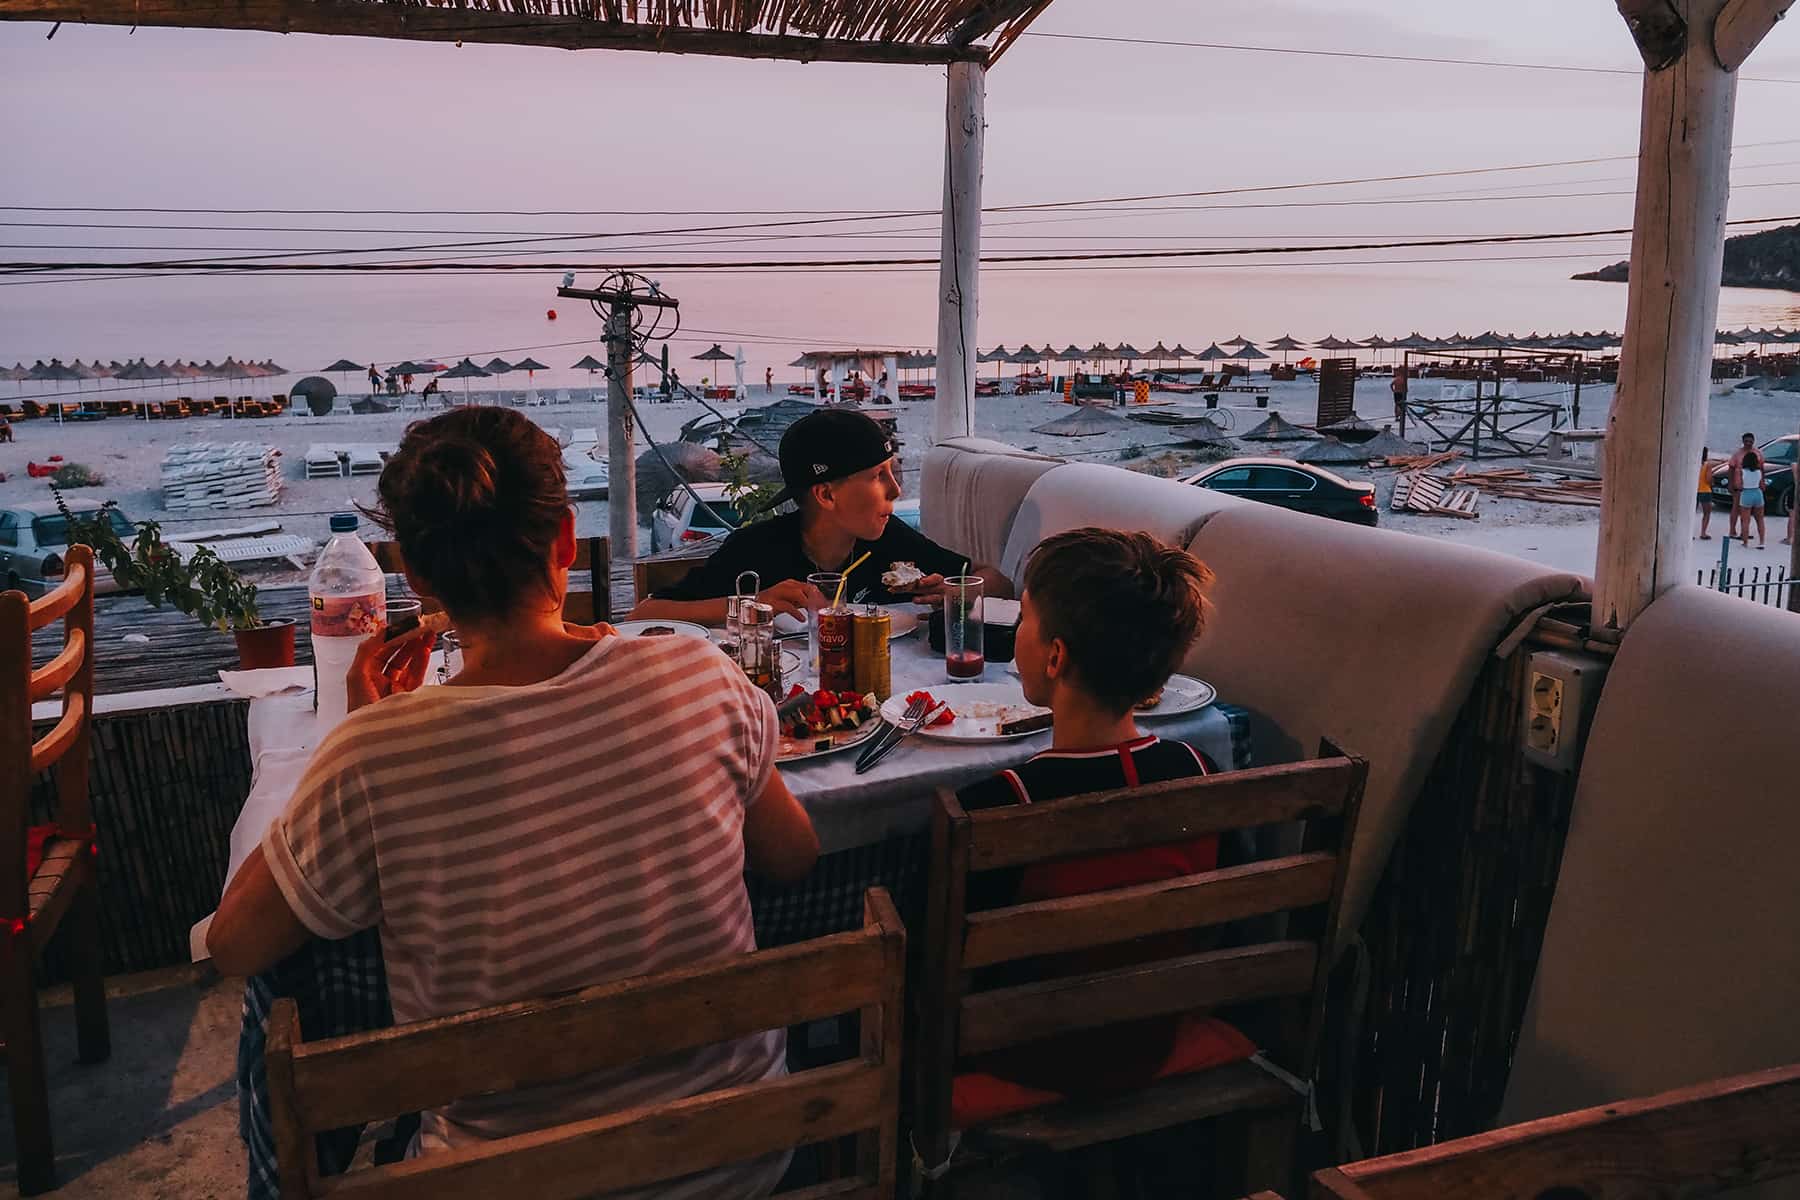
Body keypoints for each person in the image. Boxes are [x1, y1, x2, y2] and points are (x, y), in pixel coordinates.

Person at [208, 406, 818, 1195]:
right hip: (736, 1162)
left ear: (415, 578)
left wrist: (362, 733)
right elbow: (795, 856)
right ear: (566, 541)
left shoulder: (373, 754)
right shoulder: (699, 679)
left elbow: (234, 947)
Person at [956, 527, 1219, 1098]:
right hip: (1155, 1037)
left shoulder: (1000, 807)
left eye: (1023, 619)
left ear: (1055, 656)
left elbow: (943, 964)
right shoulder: (1199, 772)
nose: (1016, 633)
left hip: (1022, 1057)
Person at [631, 408, 1010, 624]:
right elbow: (643, 615)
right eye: (879, 476)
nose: (896, 490)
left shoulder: (889, 539)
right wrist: (750, 604)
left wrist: (958, 591)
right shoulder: (756, 549)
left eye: (893, 472)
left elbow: (998, 581)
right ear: (826, 494)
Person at [1728, 431, 1757, 539]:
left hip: (1751, 486)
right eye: (1746, 441)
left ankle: (1744, 532)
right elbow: (1730, 468)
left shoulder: (1757, 453)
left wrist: (1761, 482)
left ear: (1753, 441)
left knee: (1747, 510)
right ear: (1743, 442)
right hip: (1739, 485)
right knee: (1736, 508)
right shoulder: (1737, 454)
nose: (1748, 443)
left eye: (1750, 441)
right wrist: (1730, 484)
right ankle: (1732, 531)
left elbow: (1761, 468)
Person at [1738, 449, 1768, 549]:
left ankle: (1745, 542)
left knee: (1745, 520)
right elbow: (1762, 486)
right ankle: (1762, 542)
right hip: (1757, 493)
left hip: (1746, 493)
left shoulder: (1742, 472)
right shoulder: (1759, 472)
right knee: (1760, 520)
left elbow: (1739, 485)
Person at [1697, 445, 1717, 540]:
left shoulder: (1695, 463)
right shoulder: (1707, 465)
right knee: (1706, 513)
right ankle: (1703, 533)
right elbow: (1708, 479)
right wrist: (1712, 482)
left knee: (1692, 512)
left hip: (1695, 490)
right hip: (1705, 490)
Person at [1391, 362, 1410, 428]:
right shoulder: (1403, 379)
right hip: (1402, 392)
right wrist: (1406, 391)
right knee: (1401, 405)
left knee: (1397, 404)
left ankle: (1397, 416)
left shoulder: (1397, 378)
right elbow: (1405, 386)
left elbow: (1391, 384)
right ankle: (1400, 416)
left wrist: (1393, 390)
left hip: (1396, 392)